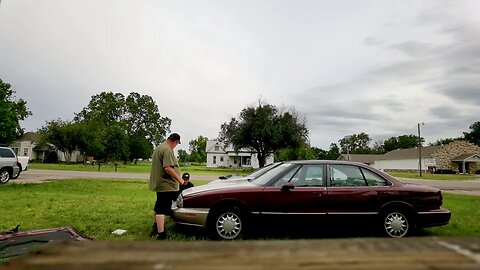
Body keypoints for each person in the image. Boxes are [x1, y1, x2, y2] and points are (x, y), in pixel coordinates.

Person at [148, 133, 186, 240]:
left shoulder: (159, 147)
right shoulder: (168, 149)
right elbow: (168, 168)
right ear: (175, 141)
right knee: (162, 209)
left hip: (160, 183)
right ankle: (161, 234)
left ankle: (156, 227)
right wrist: (180, 180)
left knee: (158, 206)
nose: (176, 146)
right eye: (177, 144)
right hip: (166, 185)